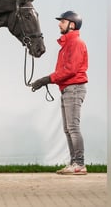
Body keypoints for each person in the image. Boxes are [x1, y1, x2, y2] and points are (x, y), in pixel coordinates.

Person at [32, 11, 88, 175]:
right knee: (67, 128)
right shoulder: (66, 45)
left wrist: (46, 80)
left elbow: (70, 70)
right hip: (67, 88)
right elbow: (64, 70)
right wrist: (48, 80)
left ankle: (79, 164)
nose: (59, 24)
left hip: (74, 88)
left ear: (72, 25)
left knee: (73, 127)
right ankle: (74, 163)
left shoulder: (76, 43)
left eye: (63, 21)